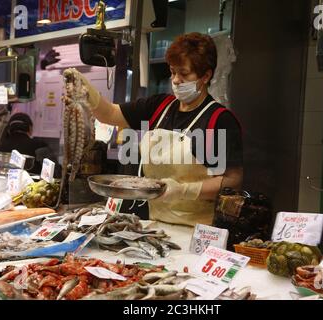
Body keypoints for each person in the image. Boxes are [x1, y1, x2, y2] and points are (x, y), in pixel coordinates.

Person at [72, 32, 243, 226]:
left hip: (197, 228)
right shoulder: (159, 106)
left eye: (184, 73)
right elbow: (110, 114)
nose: (176, 80)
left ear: (205, 76)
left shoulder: (217, 120)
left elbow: (232, 180)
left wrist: (184, 190)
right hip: (155, 221)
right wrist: (87, 91)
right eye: (172, 72)